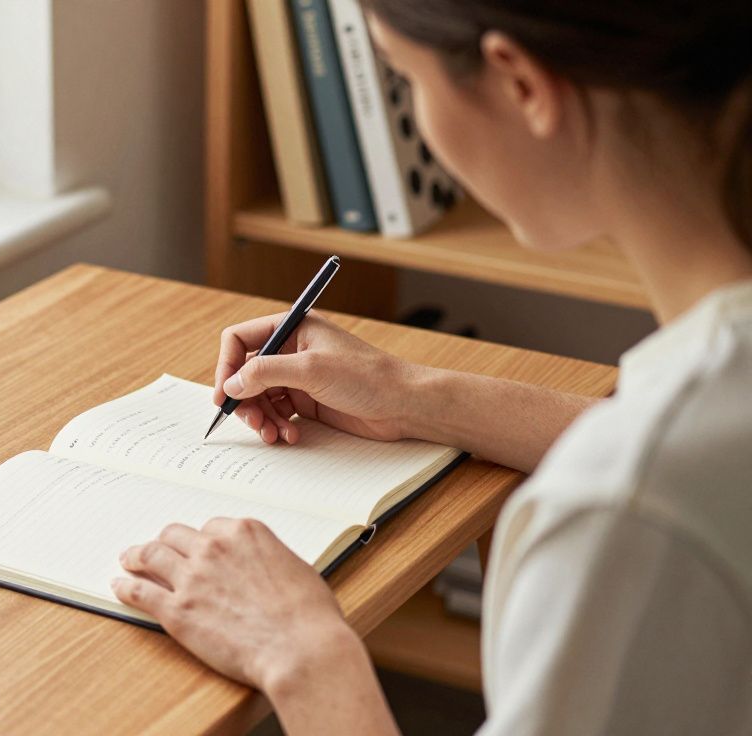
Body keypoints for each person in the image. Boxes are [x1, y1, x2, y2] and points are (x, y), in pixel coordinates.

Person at [110, 2, 752, 733]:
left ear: (521, 85)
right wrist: (414, 396)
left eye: (404, 77)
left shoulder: (621, 515)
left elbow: (660, 476)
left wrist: (305, 654)